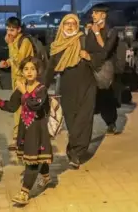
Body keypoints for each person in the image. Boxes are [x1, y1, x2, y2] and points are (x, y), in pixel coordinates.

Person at [43, 14, 103, 169]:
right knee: (71, 120)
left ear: (77, 26)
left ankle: (76, 153)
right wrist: (41, 88)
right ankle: (74, 147)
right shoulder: (57, 46)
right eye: (66, 24)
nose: (70, 26)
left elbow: (101, 56)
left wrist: (88, 56)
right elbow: (50, 69)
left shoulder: (84, 40)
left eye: (73, 24)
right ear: (62, 27)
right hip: (67, 87)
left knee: (84, 119)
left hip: (87, 85)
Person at [0, 57, 52, 205]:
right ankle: (46, 177)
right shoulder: (21, 87)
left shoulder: (41, 89)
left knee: (32, 161)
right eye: (26, 69)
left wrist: (24, 91)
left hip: (38, 130)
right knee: (37, 156)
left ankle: (24, 193)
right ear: (22, 71)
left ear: (38, 71)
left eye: (32, 69)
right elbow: (12, 106)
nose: (29, 72)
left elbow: (35, 105)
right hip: (25, 129)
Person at [0, 17, 34, 151]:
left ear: (19, 29)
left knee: (22, 110)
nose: (9, 33)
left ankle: (21, 139)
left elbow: (19, 60)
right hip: (17, 81)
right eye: (7, 29)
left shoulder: (24, 42)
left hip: (25, 82)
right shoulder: (15, 41)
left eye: (12, 30)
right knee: (18, 110)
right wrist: (7, 63)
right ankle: (18, 139)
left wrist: (9, 44)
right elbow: (13, 59)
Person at [90, 7, 120, 135]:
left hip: (104, 69)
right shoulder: (92, 29)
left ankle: (111, 123)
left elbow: (105, 50)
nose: (93, 15)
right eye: (93, 13)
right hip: (91, 66)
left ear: (103, 15)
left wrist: (97, 34)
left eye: (96, 13)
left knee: (106, 96)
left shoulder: (112, 31)